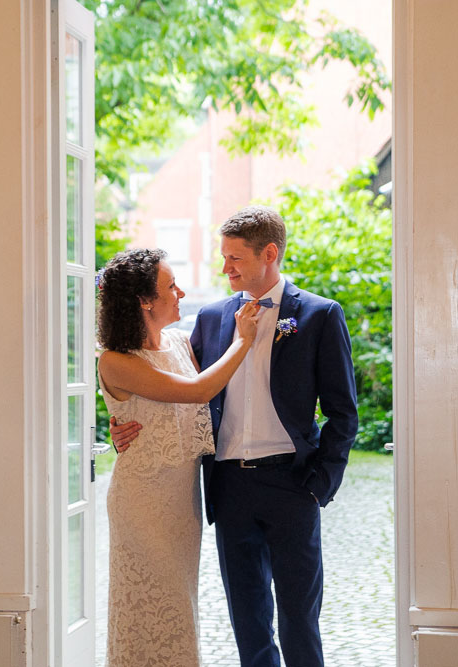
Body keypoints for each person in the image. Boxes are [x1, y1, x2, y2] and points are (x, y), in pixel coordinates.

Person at [111, 206, 359, 667]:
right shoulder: (209, 319)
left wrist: (319, 484)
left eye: (234, 259)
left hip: (293, 485)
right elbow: (162, 379)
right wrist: (123, 422)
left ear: (269, 253)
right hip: (230, 488)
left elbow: (344, 413)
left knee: (300, 619)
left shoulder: (321, 315)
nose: (224, 268)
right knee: (248, 620)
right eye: (223, 257)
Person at [96, 247, 262, 667]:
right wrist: (244, 341)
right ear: (144, 301)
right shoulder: (115, 360)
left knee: (180, 606)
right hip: (142, 503)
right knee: (147, 609)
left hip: (181, 505)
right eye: (171, 286)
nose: (181, 292)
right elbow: (197, 391)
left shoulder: (176, 342)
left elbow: (183, 407)